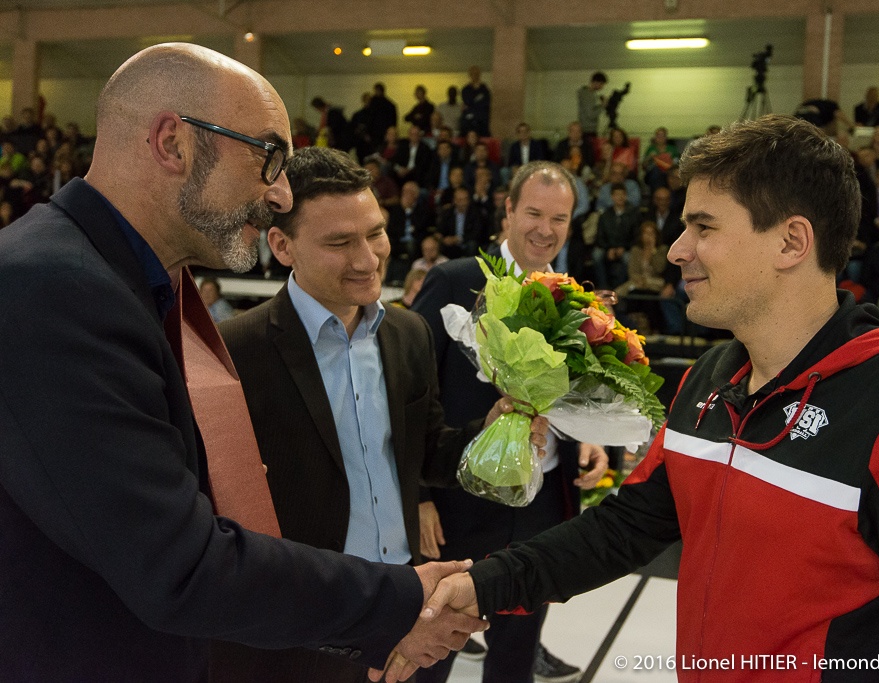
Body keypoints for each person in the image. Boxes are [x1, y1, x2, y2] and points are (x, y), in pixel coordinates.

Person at [414, 115, 879, 682]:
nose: (677, 249)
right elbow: (624, 529)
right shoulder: (711, 378)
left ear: (791, 243)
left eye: (703, 227)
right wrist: (483, 584)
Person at [0, 42, 484, 680]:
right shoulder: (54, 290)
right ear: (172, 143)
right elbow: (180, 565)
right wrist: (396, 601)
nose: (281, 193)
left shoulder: (124, 279)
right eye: (268, 157)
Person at [215, 147, 546, 682]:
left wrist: (487, 435)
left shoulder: (408, 333)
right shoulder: (237, 350)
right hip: (299, 621)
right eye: (340, 243)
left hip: (401, 606)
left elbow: (426, 453)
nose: (368, 259)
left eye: (376, 234)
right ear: (281, 245)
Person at [412, 161, 609, 683]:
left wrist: (588, 439)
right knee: (432, 647)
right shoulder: (455, 281)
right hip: (459, 498)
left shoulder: (575, 299)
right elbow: (412, 390)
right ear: (508, 210)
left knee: (518, 649)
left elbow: (571, 396)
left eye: (559, 219)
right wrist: (418, 495)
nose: (546, 230)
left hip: (541, 500)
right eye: (534, 214)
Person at [460, 66, 491, 137]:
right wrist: (476, 102)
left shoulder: (484, 89)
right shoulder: (466, 89)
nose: (475, 76)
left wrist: (472, 105)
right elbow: (467, 101)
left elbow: (485, 104)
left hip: (482, 122)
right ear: (470, 75)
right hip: (469, 121)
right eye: (473, 74)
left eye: (477, 74)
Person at [577, 72, 607, 139]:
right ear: (596, 82)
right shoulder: (587, 94)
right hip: (588, 130)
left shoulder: (591, 94)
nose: (602, 87)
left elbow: (592, 110)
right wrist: (603, 105)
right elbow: (590, 114)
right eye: (602, 84)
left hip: (588, 129)